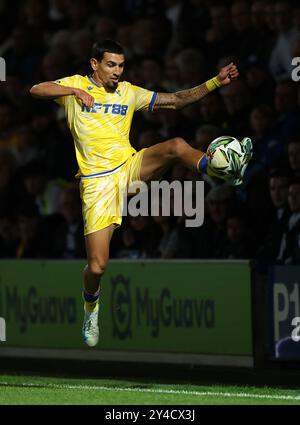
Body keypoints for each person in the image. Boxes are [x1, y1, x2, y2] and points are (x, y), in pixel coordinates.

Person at [30, 39, 239, 347]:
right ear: (95, 64)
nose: (117, 71)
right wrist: (74, 92)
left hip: (129, 168)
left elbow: (178, 100)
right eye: (111, 65)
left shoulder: (129, 92)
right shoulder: (74, 87)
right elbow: (36, 89)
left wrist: (215, 82)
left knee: (177, 146)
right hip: (97, 184)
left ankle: (217, 168)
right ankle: (91, 307)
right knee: (98, 266)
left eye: (121, 65)